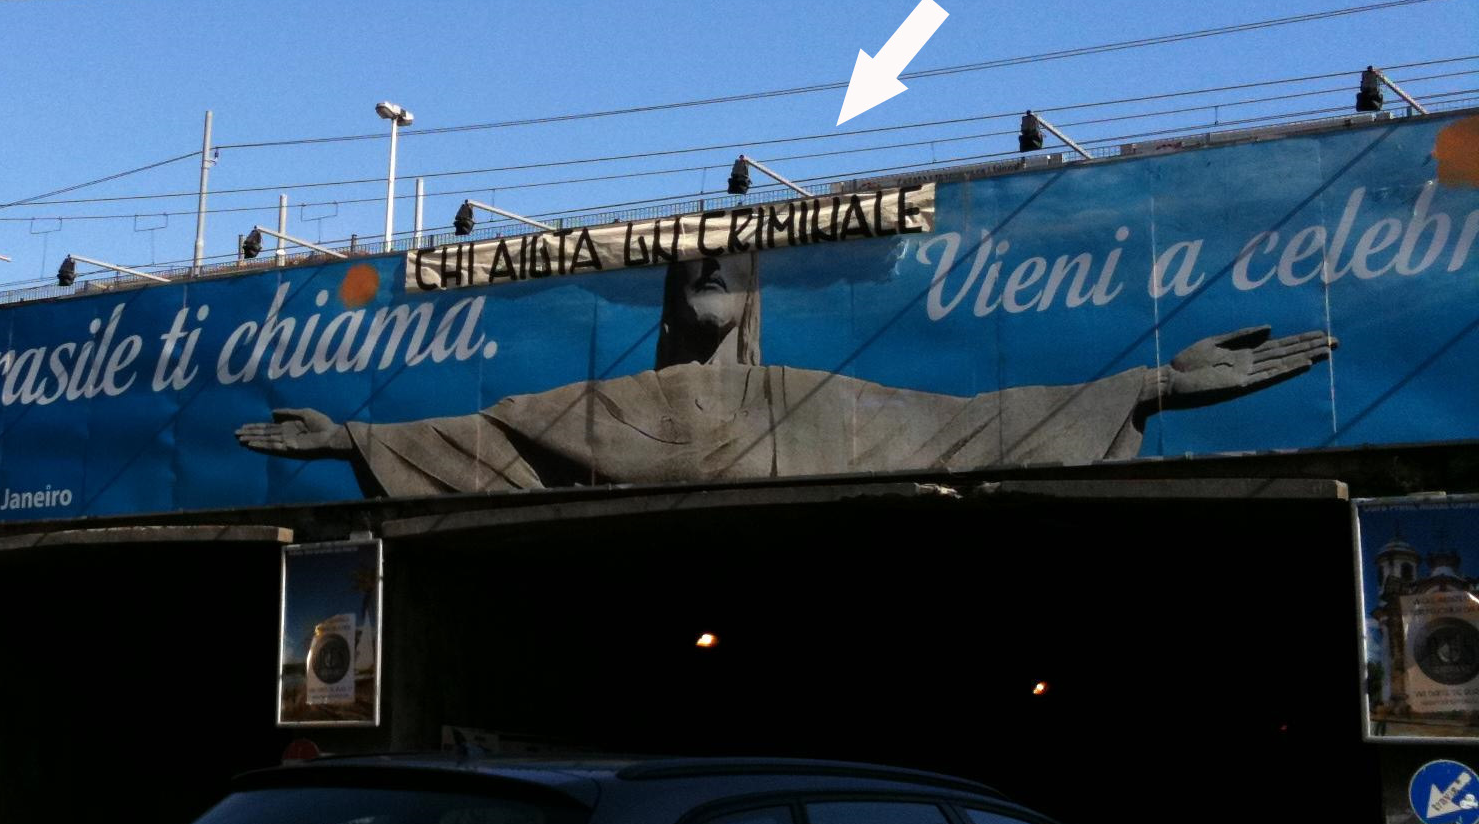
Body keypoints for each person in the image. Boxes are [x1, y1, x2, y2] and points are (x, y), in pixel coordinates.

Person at [235, 251, 1335, 493]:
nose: (707, 282)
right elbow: (483, 440)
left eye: (727, 273)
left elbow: (966, 422)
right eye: (688, 278)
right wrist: (353, 440)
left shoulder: (818, 403)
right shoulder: (595, 406)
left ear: (753, 298)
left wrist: (1146, 383)